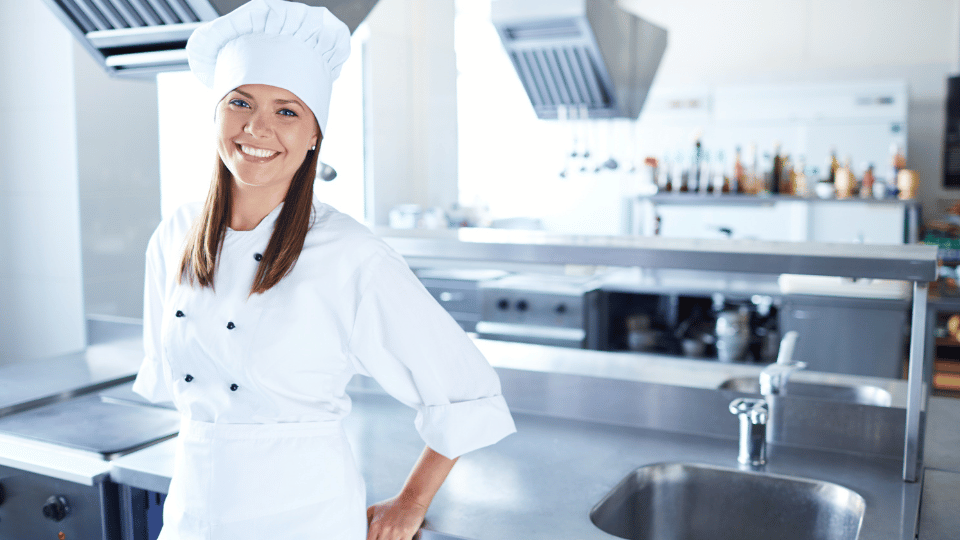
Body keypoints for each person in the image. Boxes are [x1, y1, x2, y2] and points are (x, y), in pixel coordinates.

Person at [131, 1, 517, 538]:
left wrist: (410, 504)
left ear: (315, 135)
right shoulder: (175, 234)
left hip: (304, 518)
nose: (257, 127)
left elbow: (467, 392)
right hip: (193, 516)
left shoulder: (351, 256)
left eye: (287, 111)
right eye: (240, 102)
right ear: (216, 113)